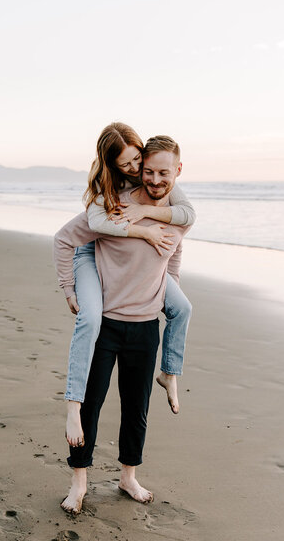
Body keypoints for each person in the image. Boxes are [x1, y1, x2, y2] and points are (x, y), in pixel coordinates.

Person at [54, 136, 192, 514]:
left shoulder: (179, 213)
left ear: (176, 173)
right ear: (138, 169)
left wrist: (171, 291)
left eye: (163, 172)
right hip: (107, 325)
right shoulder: (114, 206)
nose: (154, 179)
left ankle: (128, 476)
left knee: (136, 408)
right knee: (90, 407)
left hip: (146, 327)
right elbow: (68, 239)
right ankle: (78, 482)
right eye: (147, 171)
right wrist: (69, 286)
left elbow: (175, 255)